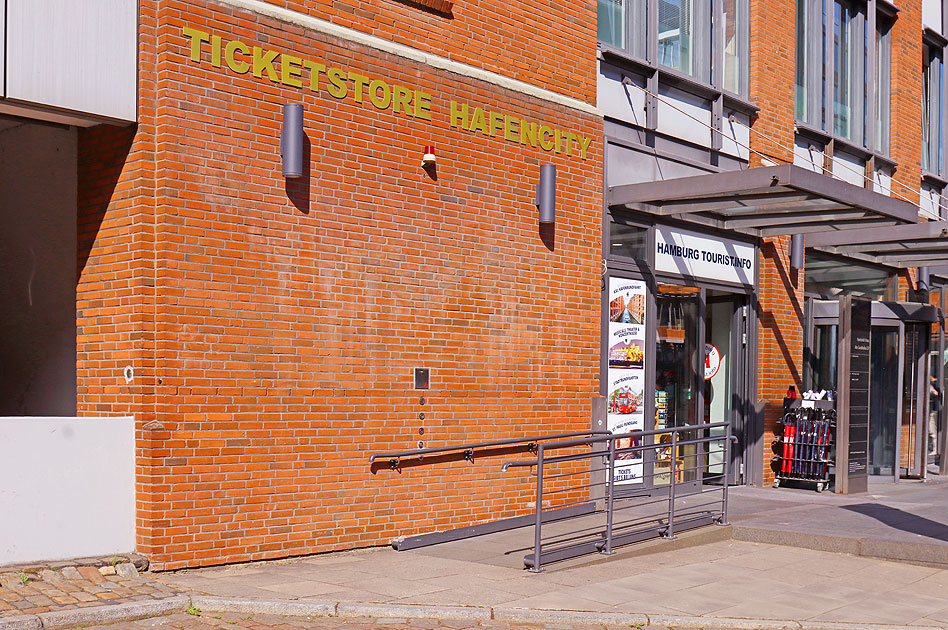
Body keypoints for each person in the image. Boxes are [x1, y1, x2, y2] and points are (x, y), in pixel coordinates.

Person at [930, 376, 942, 456]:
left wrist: (932, 390)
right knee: (932, 430)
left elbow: (938, 394)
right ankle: (935, 449)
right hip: (933, 410)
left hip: (938, 410)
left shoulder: (937, 382)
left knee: (934, 430)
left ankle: (936, 449)